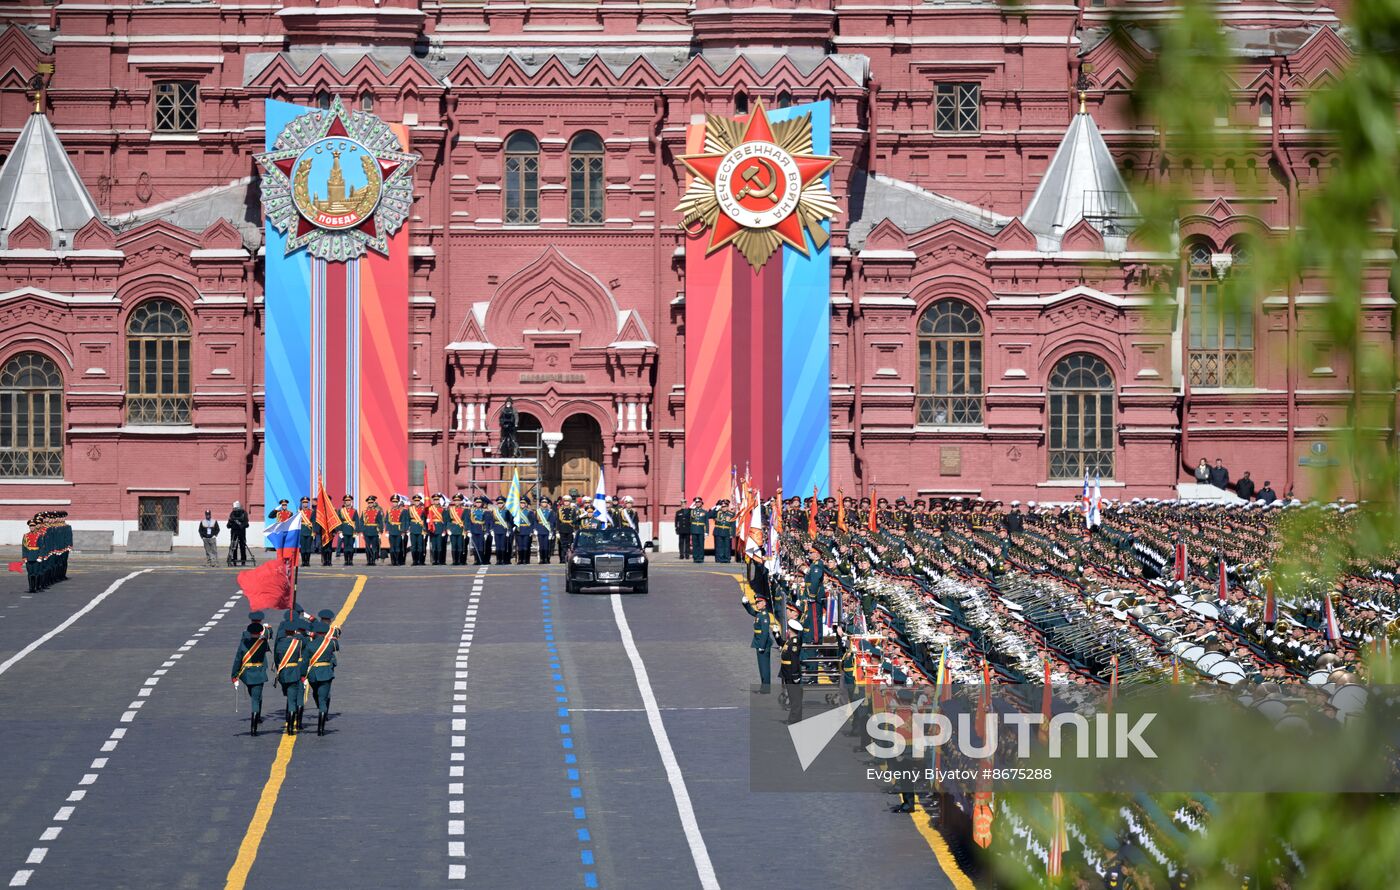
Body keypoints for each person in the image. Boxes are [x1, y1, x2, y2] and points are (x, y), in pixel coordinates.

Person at [304, 609, 340, 736]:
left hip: (315, 667)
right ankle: (323, 711)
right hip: (325, 666)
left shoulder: (314, 630)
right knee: (323, 694)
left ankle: (323, 709)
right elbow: (336, 644)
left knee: (319, 694)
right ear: (329, 620)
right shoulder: (332, 631)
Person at [231, 621, 270, 736]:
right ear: (259, 632)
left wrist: (234, 675)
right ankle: (254, 727)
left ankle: (255, 719)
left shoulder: (244, 644)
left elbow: (238, 659)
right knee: (255, 699)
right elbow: (268, 637)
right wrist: (266, 629)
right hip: (258, 673)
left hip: (247, 675)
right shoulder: (263, 643)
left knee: (253, 696)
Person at [273, 618, 309, 736]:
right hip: (295, 672)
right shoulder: (298, 642)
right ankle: (292, 725)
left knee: (289, 697)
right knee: (293, 699)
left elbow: (277, 660)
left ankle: (290, 721)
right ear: (294, 631)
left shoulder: (279, 644)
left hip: (283, 674)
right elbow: (306, 642)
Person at [742, 590, 780, 691]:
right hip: (759, 642)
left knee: (764, 667)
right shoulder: (760, 614)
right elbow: (751, 612)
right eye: (756, 602)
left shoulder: (764, 616)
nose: (757, 604)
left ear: (764, 603)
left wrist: (762, 646)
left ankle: (766, 688)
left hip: (763, 643)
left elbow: (764, 633)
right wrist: (746, 604)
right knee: (762, 667)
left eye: (759, 602)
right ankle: (764, 686)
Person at [778, 619, 805, 723]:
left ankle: (795, 719)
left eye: (789, 629)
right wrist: (776, 634)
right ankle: (793, 718)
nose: (787, 631)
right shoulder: (790, 640)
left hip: (791, 672)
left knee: (795, 697)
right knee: (792, 696)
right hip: (787, 671)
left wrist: (795, 675)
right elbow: (782, 644)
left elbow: (794, 659)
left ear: (790, 630)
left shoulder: (794, 642)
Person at [361, 495, 385, 566]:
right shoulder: (364, 512)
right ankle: (369, 560)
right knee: (367, 547)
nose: (370, 504)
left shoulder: (377, 512)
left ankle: (373, 560)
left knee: (374, 547)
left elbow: (380, 522)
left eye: (371, 502)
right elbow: (361, 521)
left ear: (374, 503)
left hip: (374, 531)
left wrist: (380, 531)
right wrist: (363, 530)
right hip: (367, 531)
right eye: (369, 503)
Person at [336, 495, 359, 566]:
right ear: (344, 502)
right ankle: (346, 561)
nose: (347, 502)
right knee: (345, 547)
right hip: (344, 530)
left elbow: (357, 521)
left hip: (352, 531)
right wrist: (339, 530)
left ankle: (351, 560)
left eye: (349, 500)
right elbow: (338, 521)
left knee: (351, 547)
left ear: (351, 501)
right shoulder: (341, 511)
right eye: (346, 501)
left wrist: (356, 531)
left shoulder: (354, 511)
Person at [227, 501, 251, 565]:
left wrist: (241, 525)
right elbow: (229, 524)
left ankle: (243, 560)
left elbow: (246, 523)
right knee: (234, 546)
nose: (236, 511)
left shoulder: (244, 513)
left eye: (237, 509)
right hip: (234, 532)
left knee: (242, 546)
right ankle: (234, 560)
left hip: (241, 532)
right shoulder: (232, 513)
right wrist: (230, 523)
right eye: (235, 509)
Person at [491, 496, 513, 565]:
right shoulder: (494, 511)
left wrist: (509, 530)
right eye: (498, 503)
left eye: (501, 503)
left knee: (503, 545)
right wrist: (492, 529)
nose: (500, 504)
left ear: (504, 503)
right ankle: (498, 560)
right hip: (497, 529)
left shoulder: (507, 511)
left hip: (504, 530)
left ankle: (503, 560)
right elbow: (492, 521)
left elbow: (510, 521)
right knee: (498, 546)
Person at [535, 497, 557, 564]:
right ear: (540, 503)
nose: (544, 504)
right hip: (540, 530)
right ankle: (542, 559)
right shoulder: (538, 511)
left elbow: (552, 522)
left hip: (547, 530)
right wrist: (535, 529)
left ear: (547, 504)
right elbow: (535, 521)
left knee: (547, 545)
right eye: (543, 502)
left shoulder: (550, 511)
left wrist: (552, 531)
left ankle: (547, 559)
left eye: (545, 502)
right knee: (541, 545)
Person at [295, 497, 316, 567]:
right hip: (302, 531)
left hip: (309, 531)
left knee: (308, 548)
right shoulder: (299, 512)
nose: (305, 504)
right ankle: (303, 561)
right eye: (304, 502)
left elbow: (314, 522)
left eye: (306, 502)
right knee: (303, 548)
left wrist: (314, 532)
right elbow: (296, 523)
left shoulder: (312, 511)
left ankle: (308, 562)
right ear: (302, 503)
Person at [407, 494, 427, 566]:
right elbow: (408, 519)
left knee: (420, 546)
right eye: (415, 501)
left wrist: (425, 529)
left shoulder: (423, 509)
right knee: (414, 546)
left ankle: (420, 561)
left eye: (418, 501)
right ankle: (415, 561)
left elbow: (425, 520)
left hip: (420, 529)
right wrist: (407, 528)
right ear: (413, 501)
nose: (417, 502)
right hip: (413, 529)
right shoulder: (410, 509)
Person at [448, 494, 468, 566]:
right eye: (455, 501)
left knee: (460, 546)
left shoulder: (464, 510)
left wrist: (465, 529)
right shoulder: (451, 509)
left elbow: (466, 521)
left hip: (460, 529)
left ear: (461, 501)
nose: (457, 502)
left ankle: (459, 561)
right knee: (453, 546)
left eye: (458, 501)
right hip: (453, 529)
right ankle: (454, 561)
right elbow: (448, 520)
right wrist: (448, 529)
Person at [387, 494, 407, 566]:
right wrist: (387, 530)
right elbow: (387, 521)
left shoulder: (402, 511)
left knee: (398, 547)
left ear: (398, 502)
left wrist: (403, 531)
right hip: (392, 530)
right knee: (392, 547)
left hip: (399, 530)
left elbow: (404, 521)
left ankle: (398, 561)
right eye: (393, 502)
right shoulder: (389, 510)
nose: (394, 503)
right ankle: (393, 561)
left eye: (396, 502)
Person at [427, 493, 447, 566]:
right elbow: (429, 517)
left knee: (439, 545)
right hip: (432, 528)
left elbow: (445, 520)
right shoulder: (430, 508)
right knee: (434, 546)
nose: (436, 501)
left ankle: (439, 560)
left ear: (439, 500)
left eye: (437, 500)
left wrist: (444, 530)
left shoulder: (442, 509)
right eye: (435, 500)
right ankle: (434, 560)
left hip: (439, 528)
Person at [470, 496, 490, 565]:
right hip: (474, 530)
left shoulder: (484, 511)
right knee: (475, 546)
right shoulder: (472, 511)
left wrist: (487, 532)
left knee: (481, 546)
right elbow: (470, 521)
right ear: (475, 503)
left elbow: (486, 522)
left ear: (481, 503)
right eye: (477, 502)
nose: (478, 504)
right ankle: (476, 560)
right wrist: (469, 530)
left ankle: (481, 559)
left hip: (481, 530)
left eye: (480, 502)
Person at [557, 491, 578, 557]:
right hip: (562, 528)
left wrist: (574, 529)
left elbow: (575, 519)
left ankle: (569, 557)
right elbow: (558, 520)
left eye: (568, 501)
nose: (566, 502)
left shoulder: (573, 510)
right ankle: (562, 558)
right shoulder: (560, 510)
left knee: (570, 544)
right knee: (562, 544)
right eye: (565, 501)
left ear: (570, 502)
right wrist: (557, 530)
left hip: (570, 528)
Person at [689, 497, 710, 563]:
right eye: (696, 502)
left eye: (699, 502)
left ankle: (701, 558)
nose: (698, 503)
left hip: (701, 530)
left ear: (701, 503)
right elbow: (689, 520)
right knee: (695, 545)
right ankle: (695, 558)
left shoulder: (704, 512)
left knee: (701, 545)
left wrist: (706, 532)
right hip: (694, 529)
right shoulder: (692, 511)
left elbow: (706, 523)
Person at [514, 496, 534, 564]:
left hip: (526, 530)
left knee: (525, 546)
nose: (522, 504)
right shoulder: (516, 512)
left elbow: (532, 522)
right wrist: (514, 526)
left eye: (523, 503)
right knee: (520, 546)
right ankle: (520, 559)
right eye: (521, 503)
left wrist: (531, 531)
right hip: (519, 531)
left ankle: (525, 559)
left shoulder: (529, 512)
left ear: (526, 504)